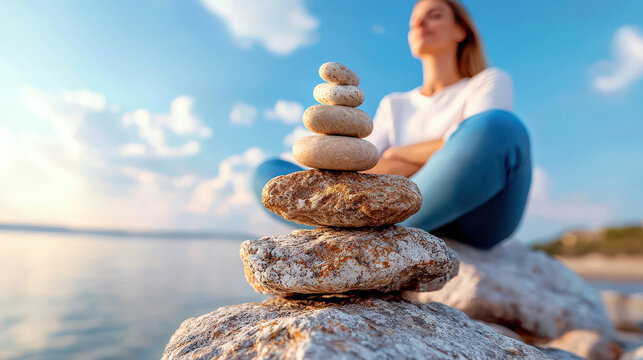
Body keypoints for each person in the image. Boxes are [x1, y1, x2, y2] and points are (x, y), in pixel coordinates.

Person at [252, 0, 531, 250]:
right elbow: (363, 167)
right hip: (400, 208)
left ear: (461, 31)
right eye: (413, 22)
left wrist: (396, 155)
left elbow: (479, 147)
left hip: (477, 217)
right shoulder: (395, 103)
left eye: (434, 15)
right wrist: (433, 153)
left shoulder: (487, 81)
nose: (420, 23)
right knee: (268, 173)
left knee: (499, 127)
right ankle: (369, 231)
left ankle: (356, 233)